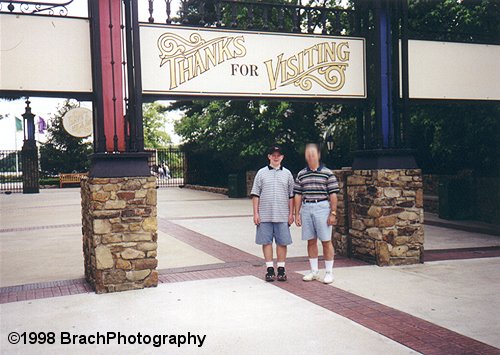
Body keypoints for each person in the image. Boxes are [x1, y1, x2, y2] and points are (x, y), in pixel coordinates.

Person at [294, 143, 339, 284]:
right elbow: (298, 195)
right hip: (307, 208)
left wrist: (333, 213)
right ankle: (314, 271)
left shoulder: (327, 173)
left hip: (322, 207)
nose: (310, 156)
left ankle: (329, 272)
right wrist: (297, 214)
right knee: (311, 241)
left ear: (318, 155)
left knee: (326, 241)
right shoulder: (301, 174)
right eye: (308, 153)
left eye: (313, 153)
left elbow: (333, 195)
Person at [251, 145, 295, 282]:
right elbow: (256, 194)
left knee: (282, 242)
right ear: (269, 156)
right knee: (267, 242)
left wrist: (291, 214)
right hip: (265, 215)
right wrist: (256, 213)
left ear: (282, 157)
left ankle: (281, 269)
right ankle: (270, 269)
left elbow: (291, 195)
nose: (276, 157)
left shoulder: (287, 174)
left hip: (282, 214)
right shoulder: (261, 173)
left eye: (279, 155)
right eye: (273, 155)